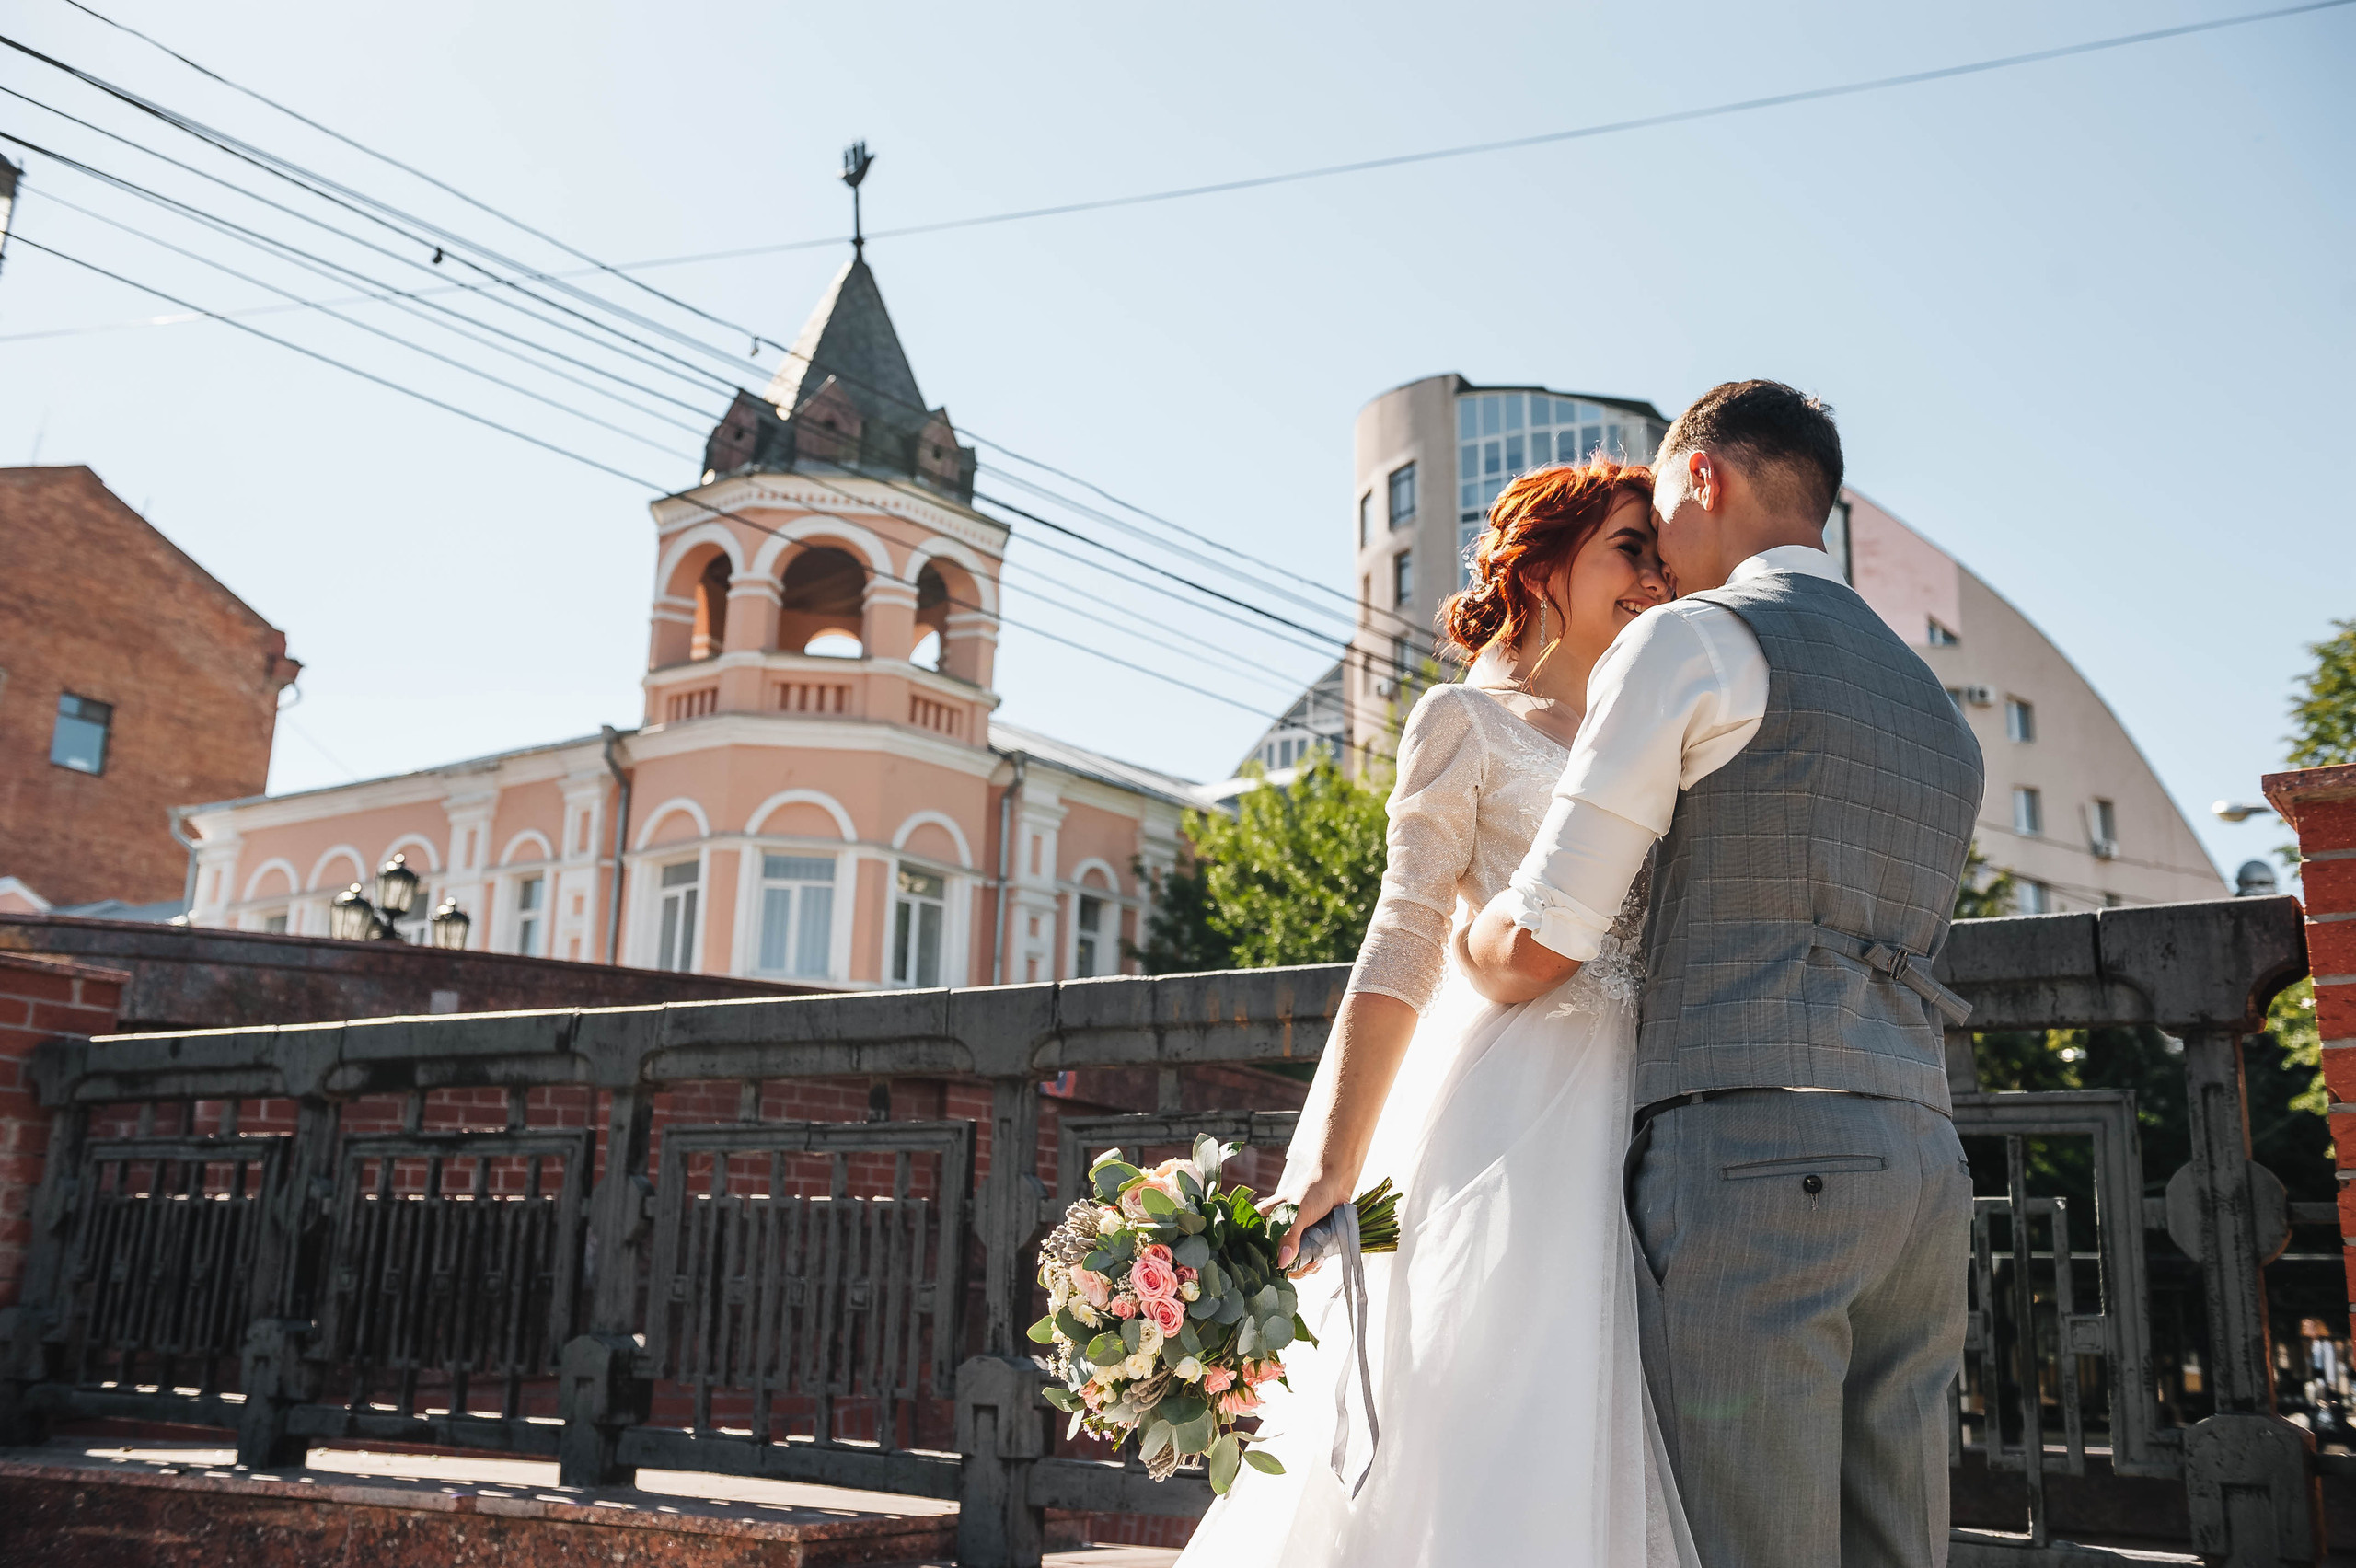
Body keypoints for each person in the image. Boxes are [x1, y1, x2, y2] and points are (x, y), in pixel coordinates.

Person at [1461, 381, 1986, 1568]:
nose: (1656, 559)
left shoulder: (1692, 641)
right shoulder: (1936, 711)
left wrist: (1464, 934)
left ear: (1702, 477)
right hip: (1921, 1157)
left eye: (1658, 504)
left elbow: (1548, 935)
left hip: (1755, 1163)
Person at [1175, 456, 1698, 1566]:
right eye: (1629, 549)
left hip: (1656, 1100)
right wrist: (1329, 1157)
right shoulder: (1461, 719)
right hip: (1517, 1109)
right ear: (1540, 565)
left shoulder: (1642, 728)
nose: (1656, 579)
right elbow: (1404, 934)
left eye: (1659, 555)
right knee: (1496, 1402)